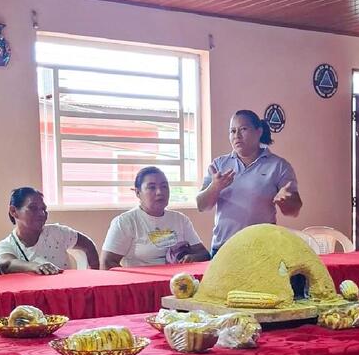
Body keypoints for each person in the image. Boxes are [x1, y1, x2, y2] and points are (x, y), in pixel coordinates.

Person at [197, 109, 302, 256]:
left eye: (243, 129)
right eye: (232, 131)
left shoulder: (278, 165)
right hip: (224, 249)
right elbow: (202, 205)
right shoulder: (219, 165)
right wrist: (215, 187)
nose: (237, 136)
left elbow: (293, 210)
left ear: (259, 132)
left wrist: (287, 201)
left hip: (262, 250)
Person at [102, 166, 210, 268]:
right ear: (138, 193)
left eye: (164, 186)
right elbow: (107, 263)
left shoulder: (180, 220)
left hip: (178, 282)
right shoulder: (124, 222)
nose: (160, 192)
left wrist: (192, 258)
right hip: (141, 284)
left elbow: (204, 254)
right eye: (152, 187)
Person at [0, 187, 99, 274]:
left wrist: (93, 275)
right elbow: (7, 264)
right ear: (13, 211)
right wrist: (35, 266)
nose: (41, 214)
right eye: (33, 208)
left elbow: (88, 245)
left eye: (43, 209)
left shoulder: (58, 233)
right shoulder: (4, 246)